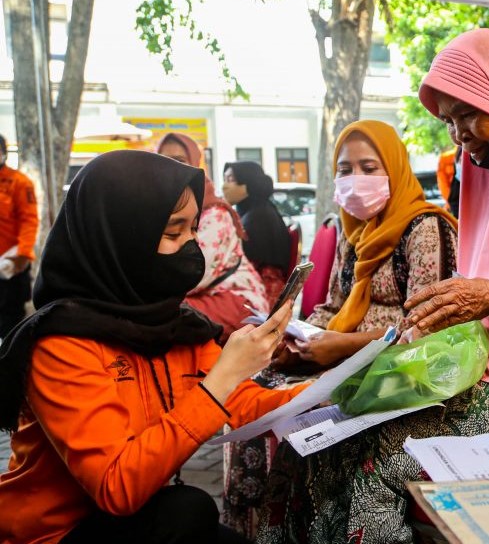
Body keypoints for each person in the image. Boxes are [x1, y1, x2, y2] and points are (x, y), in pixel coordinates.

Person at [258, 29, 489, 544]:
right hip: (484, 376)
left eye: (469, 113)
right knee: (312, 444)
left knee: (382, 454)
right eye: (449, 121)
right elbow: (471, 311)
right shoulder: (488, 182)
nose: (459, 134)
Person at [0, 150, 306, 544]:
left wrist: (341, 391)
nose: (193, 245)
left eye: (193, 229)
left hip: (138, 517)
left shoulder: (173, 326)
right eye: (173, 232)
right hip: (56, 533)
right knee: (187, 510)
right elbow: (118, 487)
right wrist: (225, 374)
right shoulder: (62, 344)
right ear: (121, 238)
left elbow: (245, 404)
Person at [223, 120, 459, 538]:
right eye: (345, 170)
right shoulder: (356, 233)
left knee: (294, 412)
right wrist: (292, 340)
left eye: (370, 167)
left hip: (390, 371)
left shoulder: (426, 229)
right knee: (250, 389)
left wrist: (341, 348)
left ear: (395, 167)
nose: (356, 180)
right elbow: (332, 305)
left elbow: (426, 329)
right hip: (334, 356)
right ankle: (254, 530)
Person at [157, 133, 268, 340]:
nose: (170, 167)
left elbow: (192, 273)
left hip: (234, 297)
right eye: (162, 160)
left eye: (179, 161)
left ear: (194, 164)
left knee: (160, 316)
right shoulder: (160, 206)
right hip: (193, 293)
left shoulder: (215, 213)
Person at [222, 162, 291, 301]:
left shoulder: (259, 217)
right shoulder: (254, 211)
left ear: (248, 182)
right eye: (225, 180)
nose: (224, 186)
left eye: (230, 180)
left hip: (263, 293)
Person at [0, 135, 38, 339]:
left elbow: (29, 221)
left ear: (4, 153)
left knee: (10, 320)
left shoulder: (20, 183)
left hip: (11, 265)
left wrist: (21, 256)